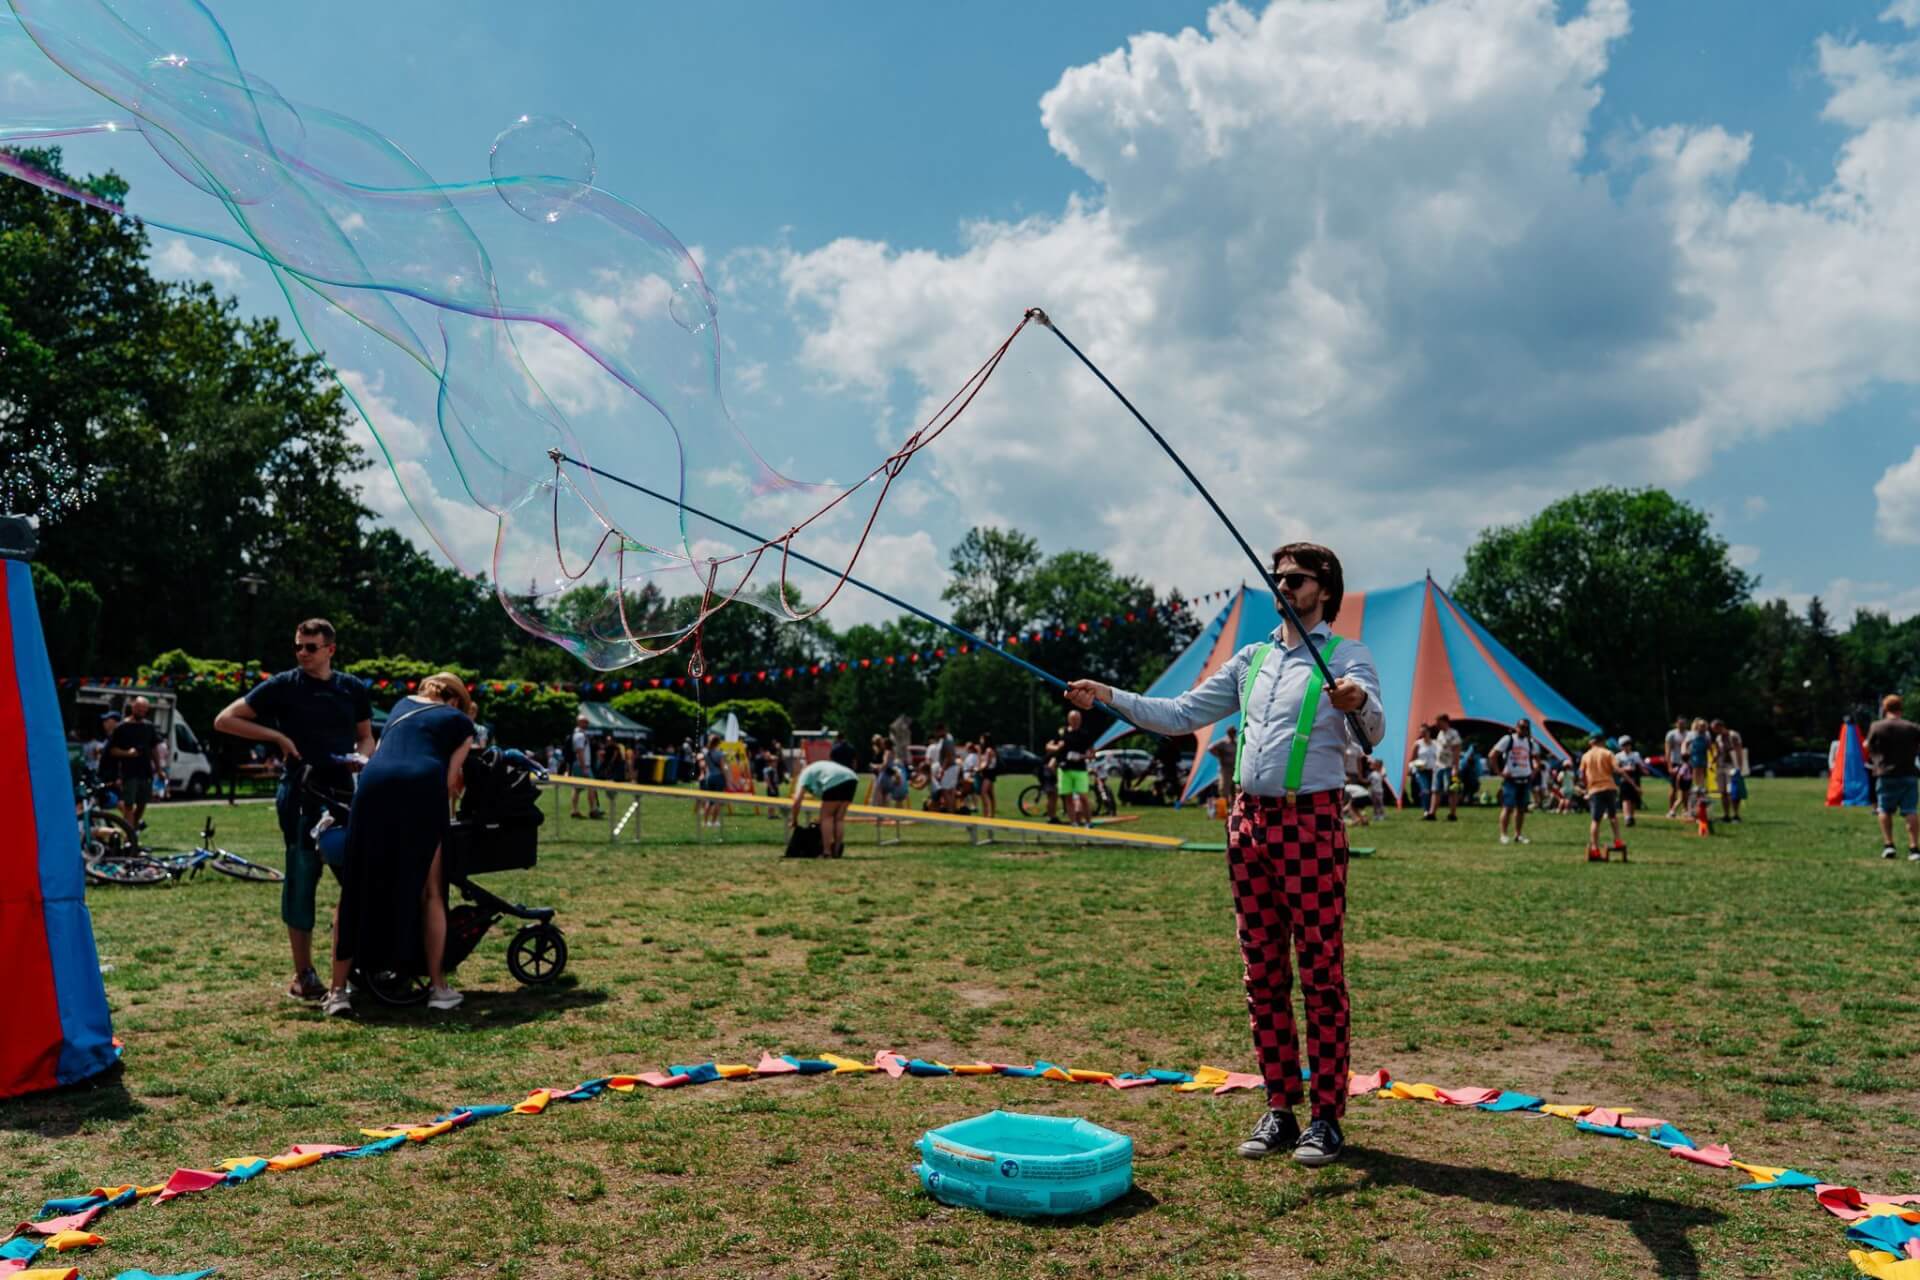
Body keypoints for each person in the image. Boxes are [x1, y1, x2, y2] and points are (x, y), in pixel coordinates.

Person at [1067, 541, 1384, 1168]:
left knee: (1320, 974)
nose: (1283, 587)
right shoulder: (1252, 658)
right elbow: (1180, 713)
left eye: (1295, 579)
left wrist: (1356, 702)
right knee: (1261, 974)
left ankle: (1326, 1117)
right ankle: (1280, 1108)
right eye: (1278, 578)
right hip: (1248, 826)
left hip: (1311, 824)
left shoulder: (1346, 657)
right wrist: (1107, 693)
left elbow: (1372, 730)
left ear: (1324, 587)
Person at [214, 618, 373, 1002]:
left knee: (355, 879)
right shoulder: (284, 685)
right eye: (298, 646)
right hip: (300, 793)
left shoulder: (351, 688)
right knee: (302, 878)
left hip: (342, 794)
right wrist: (278, 737)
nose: (302, 653)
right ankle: (304, 974)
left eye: (311, 647)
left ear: (330, 650)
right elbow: (225, 719)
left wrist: (362, 759)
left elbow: (366, 736)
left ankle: (361, 966)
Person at [325, 673, 475, 1016]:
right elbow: (451, 780)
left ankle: (337, 992)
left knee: (354, 890)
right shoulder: (460, 722)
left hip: (373, 786)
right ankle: (438, 988)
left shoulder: (398, 707)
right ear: (455, 701)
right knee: (432, 891)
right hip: (423, 787)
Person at [1864, 694, 1920, 861]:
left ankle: (1889, 845)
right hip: (1909, 773)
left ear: (1885, 708)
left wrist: (1875, 757)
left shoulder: (1877, 726)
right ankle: (1914, 848)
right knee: (1910, 810)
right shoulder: (1912, 727)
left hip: (1885, 773)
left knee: (1884, 809)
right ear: (1900, 708)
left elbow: (1867, 745)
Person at [106, 696, 162, 832]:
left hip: (145, 771)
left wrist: (159, 769)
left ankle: (132, 830)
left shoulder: (149, 727)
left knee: (142, 804)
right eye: (139, 709)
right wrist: (128, 753)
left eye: (144, 710)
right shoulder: (122, 727)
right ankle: (130, 836)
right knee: (129, 805)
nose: (141, 712)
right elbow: (112, 750)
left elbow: (154, 748)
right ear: (133, 708)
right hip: (128, 772)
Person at [789, 757, 858, 858]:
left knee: (827, 817)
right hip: (852, 777)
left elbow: (797, 800)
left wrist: (794, 820)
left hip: (834, 779)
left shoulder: (804, 775)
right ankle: (837, 851)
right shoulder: (815, 770)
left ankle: (826, 852)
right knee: (838, 819)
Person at [1489, 719, 1538, 846]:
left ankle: (1518, 835)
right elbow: (1492, 755)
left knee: (1521, 809)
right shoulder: (1508, 739)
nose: (1523, 730)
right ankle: (1503, 835)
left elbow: (1536, 759)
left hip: (1525, 778)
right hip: (1511, 779)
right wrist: (1499, 772)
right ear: (1516, 727)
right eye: (1521, 727)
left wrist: (1534, 771)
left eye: (1526, 728)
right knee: (1508, 807)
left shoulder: (1531, 742)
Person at [1580, 737, 1626, 862]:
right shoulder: (1608, 753)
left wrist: (1586, 788)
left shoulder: (1586, 756)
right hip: (1609, 787)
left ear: (1591, 742)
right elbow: (1616, 768)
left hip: (1594, 790)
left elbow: (1582, 774)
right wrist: (1623, 772)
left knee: (1596, 820)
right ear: (1602, 742)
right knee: (1612, 816)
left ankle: (1595, 848)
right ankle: (1617, 840)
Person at [1058, 708, 1096, 827]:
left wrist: (1081, 756)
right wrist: (1057, 748)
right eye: (1073, 719)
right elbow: (1051, 746)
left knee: (1083, 797)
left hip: (1080, 769)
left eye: (1078, 719)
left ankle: (1088, 822)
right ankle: (1073, 822)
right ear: (1069, 720)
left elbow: (1092, 754)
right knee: (1068, 798)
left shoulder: (1084, 734)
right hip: (1065, 769)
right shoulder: (1063, 732)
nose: (1075, 721)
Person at [1427, 714, 1462, 821]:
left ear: (1444, 721)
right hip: (1438, 766)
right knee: (1435, 790)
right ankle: (1431, 813)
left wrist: (1455, 767)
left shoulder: (1453, 734)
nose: (1437, 724)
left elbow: (1457, 751)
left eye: (1438, 722)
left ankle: (1452, 814)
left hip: (1449, 766)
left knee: (1451, 790)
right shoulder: (1440, 733)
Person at [1712, 719, 1746, 823]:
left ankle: (1736, 815)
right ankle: (1726, 815)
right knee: (1723, 792)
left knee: (1733, 792)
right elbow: (1718, 752)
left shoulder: (1733, 735)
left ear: (1720, 726)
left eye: (1715, 729)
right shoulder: (1718, 738)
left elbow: (1739, 751)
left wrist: (1739, 767)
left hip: (1732, 766)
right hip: (1721, 766)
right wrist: (1712, 761)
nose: (1714, 731)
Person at [568, 715, 602, 820]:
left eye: (587, 722)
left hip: (578, 764)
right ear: (578, 722)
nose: (586, 724)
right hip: (582, 765)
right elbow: (579, 752)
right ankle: (593, 810)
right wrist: (584, 767)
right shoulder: (580, 736)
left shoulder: (578, 734)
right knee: (591, 786)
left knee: (577, 788)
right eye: (584, 722)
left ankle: (574, 810)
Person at [1684, 718, 1713, 834]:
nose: (1702, 728)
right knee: (1695, 784)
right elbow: (1685, 744)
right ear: (1697, 727)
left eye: (1704, 727)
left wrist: (1712, 760)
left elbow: (1711, 748)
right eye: (1700, 726)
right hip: (1694, 760)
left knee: (1702, 782)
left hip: (1703, 760)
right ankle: (1696, 790)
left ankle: (1700, 788)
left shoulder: (1706, 736)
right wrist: (1685, 752)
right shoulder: (1692, 735)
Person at [1407, 725, 1439, 816]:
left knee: (1433, 791)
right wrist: (1413, 767)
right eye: (1421, 732)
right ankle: (1426, 810)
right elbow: (1411, 759)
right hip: (1421, 770)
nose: (1423, 734)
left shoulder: (1435, 744)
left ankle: (1431, 810)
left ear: (1429, 732)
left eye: (1424, 732)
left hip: (1432, 770)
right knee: (1425, 790)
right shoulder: (1418, 744)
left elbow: (1438, 757)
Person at [1614, 735, 1645, 826]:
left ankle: (1631, 816)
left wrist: (1644, 770)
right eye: (1624, 745)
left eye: (1628, 744)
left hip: (1635, 777)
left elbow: (1640, 765)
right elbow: (1616, 768)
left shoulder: (1635, 755)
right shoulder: (1618, 756)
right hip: (1624, 778)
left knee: (1634, 799)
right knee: (1625, 798)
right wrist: (1625, 769)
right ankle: (1627, 817)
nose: (1626, 747)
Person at [698, 732, 727, 828]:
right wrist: (726, 779)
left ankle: (705, 822)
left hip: (709, 777)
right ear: (718, 743)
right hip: (718, 777)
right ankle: (714, 822)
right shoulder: (720, 753)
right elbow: (723, 768)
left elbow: (703, 763)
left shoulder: (706, 753)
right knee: (718, 801)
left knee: (709, 801)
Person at [1209, 727, 1240, 812]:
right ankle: (1224, 807)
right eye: (1231, 732)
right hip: (1225, 768)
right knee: (1224, 788)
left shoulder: (1237, 742)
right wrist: (1219, 755)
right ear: (1228, 732)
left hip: (1236, 768)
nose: (1232, 733)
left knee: (1236, 788)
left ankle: (1234, 807)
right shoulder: (1223, 742)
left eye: (1234, 732)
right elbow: (1210, 748)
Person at [1664, 717, 1689, 819]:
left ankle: (1685, 810)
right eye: (1679, 723)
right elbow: (1668, 751)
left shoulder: (1689, 734)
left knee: (1686, 789)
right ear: (1676, 724)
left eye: (1683, 723)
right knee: (1674, 788)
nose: (1681, 725)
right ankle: (1671, 810)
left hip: (1687, 764)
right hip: (1675, 763)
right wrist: (1669, 766)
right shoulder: (1671, 734)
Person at [978, 741, 999, 820]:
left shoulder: (989, 750)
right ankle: (991, 815)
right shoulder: (989, 750)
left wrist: (978, 769)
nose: (981, 741)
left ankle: (986, 814)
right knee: (991, 795)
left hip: (988, 773)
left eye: (982, 739)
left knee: (983, 793)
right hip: (989, 773)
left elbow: (987, 764)